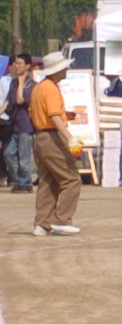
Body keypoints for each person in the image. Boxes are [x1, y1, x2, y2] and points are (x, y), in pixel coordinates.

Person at [26, 52, 80, 235]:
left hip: (40, 137)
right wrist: (68, 136)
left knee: (48, 181)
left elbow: (32, 112)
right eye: (64, 67)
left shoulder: (38, 88)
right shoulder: (51, 88)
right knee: (71, 179)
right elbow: (54, 115)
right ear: (58, 70)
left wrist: (64, 116)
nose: (66, 69)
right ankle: (62, 219)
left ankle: (42, 223)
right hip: (52, 137)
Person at [1, 55, 35, 193]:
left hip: (26, 126)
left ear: (28, 66)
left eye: (20, 63)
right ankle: (20, 180)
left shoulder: (31, 85)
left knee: (24, 157)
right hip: (13, 125)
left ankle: (26, 184)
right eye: (15, 63)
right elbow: (7, 101)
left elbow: (21, 100)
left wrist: (21, 83)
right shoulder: (12, 83)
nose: (16, 66)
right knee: (8, 154)